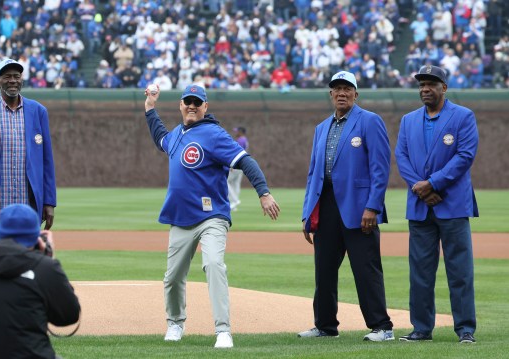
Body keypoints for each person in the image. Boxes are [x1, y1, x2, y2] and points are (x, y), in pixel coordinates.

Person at [144, 84, 280, 348]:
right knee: (172, 277)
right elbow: (160, 137)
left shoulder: (214, 134)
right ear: (181, 105)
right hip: (181, 219)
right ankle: (175, 323)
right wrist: (150, 107)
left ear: (205, 107)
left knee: (214, 264)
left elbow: (245, 161)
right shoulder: (176, 135)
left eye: (198, 102)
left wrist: (264, 193)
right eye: (188, 102)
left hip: (211, 217)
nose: (192, 106)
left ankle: (223, 330)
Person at [299, 71, 394, 342]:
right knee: (324, 270)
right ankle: (325, 326)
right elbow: (313, 174)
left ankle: (382, 327)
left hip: (359, 207)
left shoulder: (370, 121)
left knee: (366, 269)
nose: (341, 93)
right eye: (336, 89)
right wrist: (308, 214)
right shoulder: (321, 128)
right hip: (326, 206)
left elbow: (380, 167)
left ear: (356, 93)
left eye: (347, 88)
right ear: (330, 94)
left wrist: (373, 207)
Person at [395, 65, 479, 344]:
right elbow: (402, 157)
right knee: (420, 273)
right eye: (421, 84)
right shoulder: (408, 120)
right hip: (421, 206)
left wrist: (432, 183)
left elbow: (465, 156)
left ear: (444, 87)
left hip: (452, 205)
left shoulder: (463, 116)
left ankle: (465, 329)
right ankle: (421, 329)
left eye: (431, 84)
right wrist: (422, 189)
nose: (425, 89)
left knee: (460, 272)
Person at [0, 204, 81, 358]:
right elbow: (68, 316)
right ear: (36, 236)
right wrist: (49, 261)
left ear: (0, 231)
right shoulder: (44, 267)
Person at [0, 58, 56, 249]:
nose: (12, 80)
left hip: (28, 206)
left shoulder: (38, 111)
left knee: (28, 263)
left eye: (16, 76)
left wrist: (49, 201)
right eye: (7, 76)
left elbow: (46, 161)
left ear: (22, 80)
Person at [227, 127, 249, 211]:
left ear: (241, 132)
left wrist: (232, 165)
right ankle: (234, 204)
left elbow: (236, 153)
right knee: (235, 184)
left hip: (237, 164)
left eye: (237, 131)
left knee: (225, 181)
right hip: (241, 165)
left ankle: (235, 201)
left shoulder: (240, 140)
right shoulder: (245, 139)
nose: (236, 133)